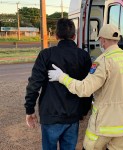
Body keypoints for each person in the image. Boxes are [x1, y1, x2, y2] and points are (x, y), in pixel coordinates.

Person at [48, 24, 123, 150]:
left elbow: (85, 89)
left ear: (103, 40)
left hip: (103, 125)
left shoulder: (103, 61)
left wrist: (61, 77)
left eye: (100, 40)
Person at [24, 18, 92, 150]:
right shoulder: (83, 56)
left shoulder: (46, 55)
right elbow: (87, 87)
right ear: (74, 36)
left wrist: (29, 109)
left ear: (56, 35)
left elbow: (34, 84)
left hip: (50, 115)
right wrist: (83, 111)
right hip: (73, 115)